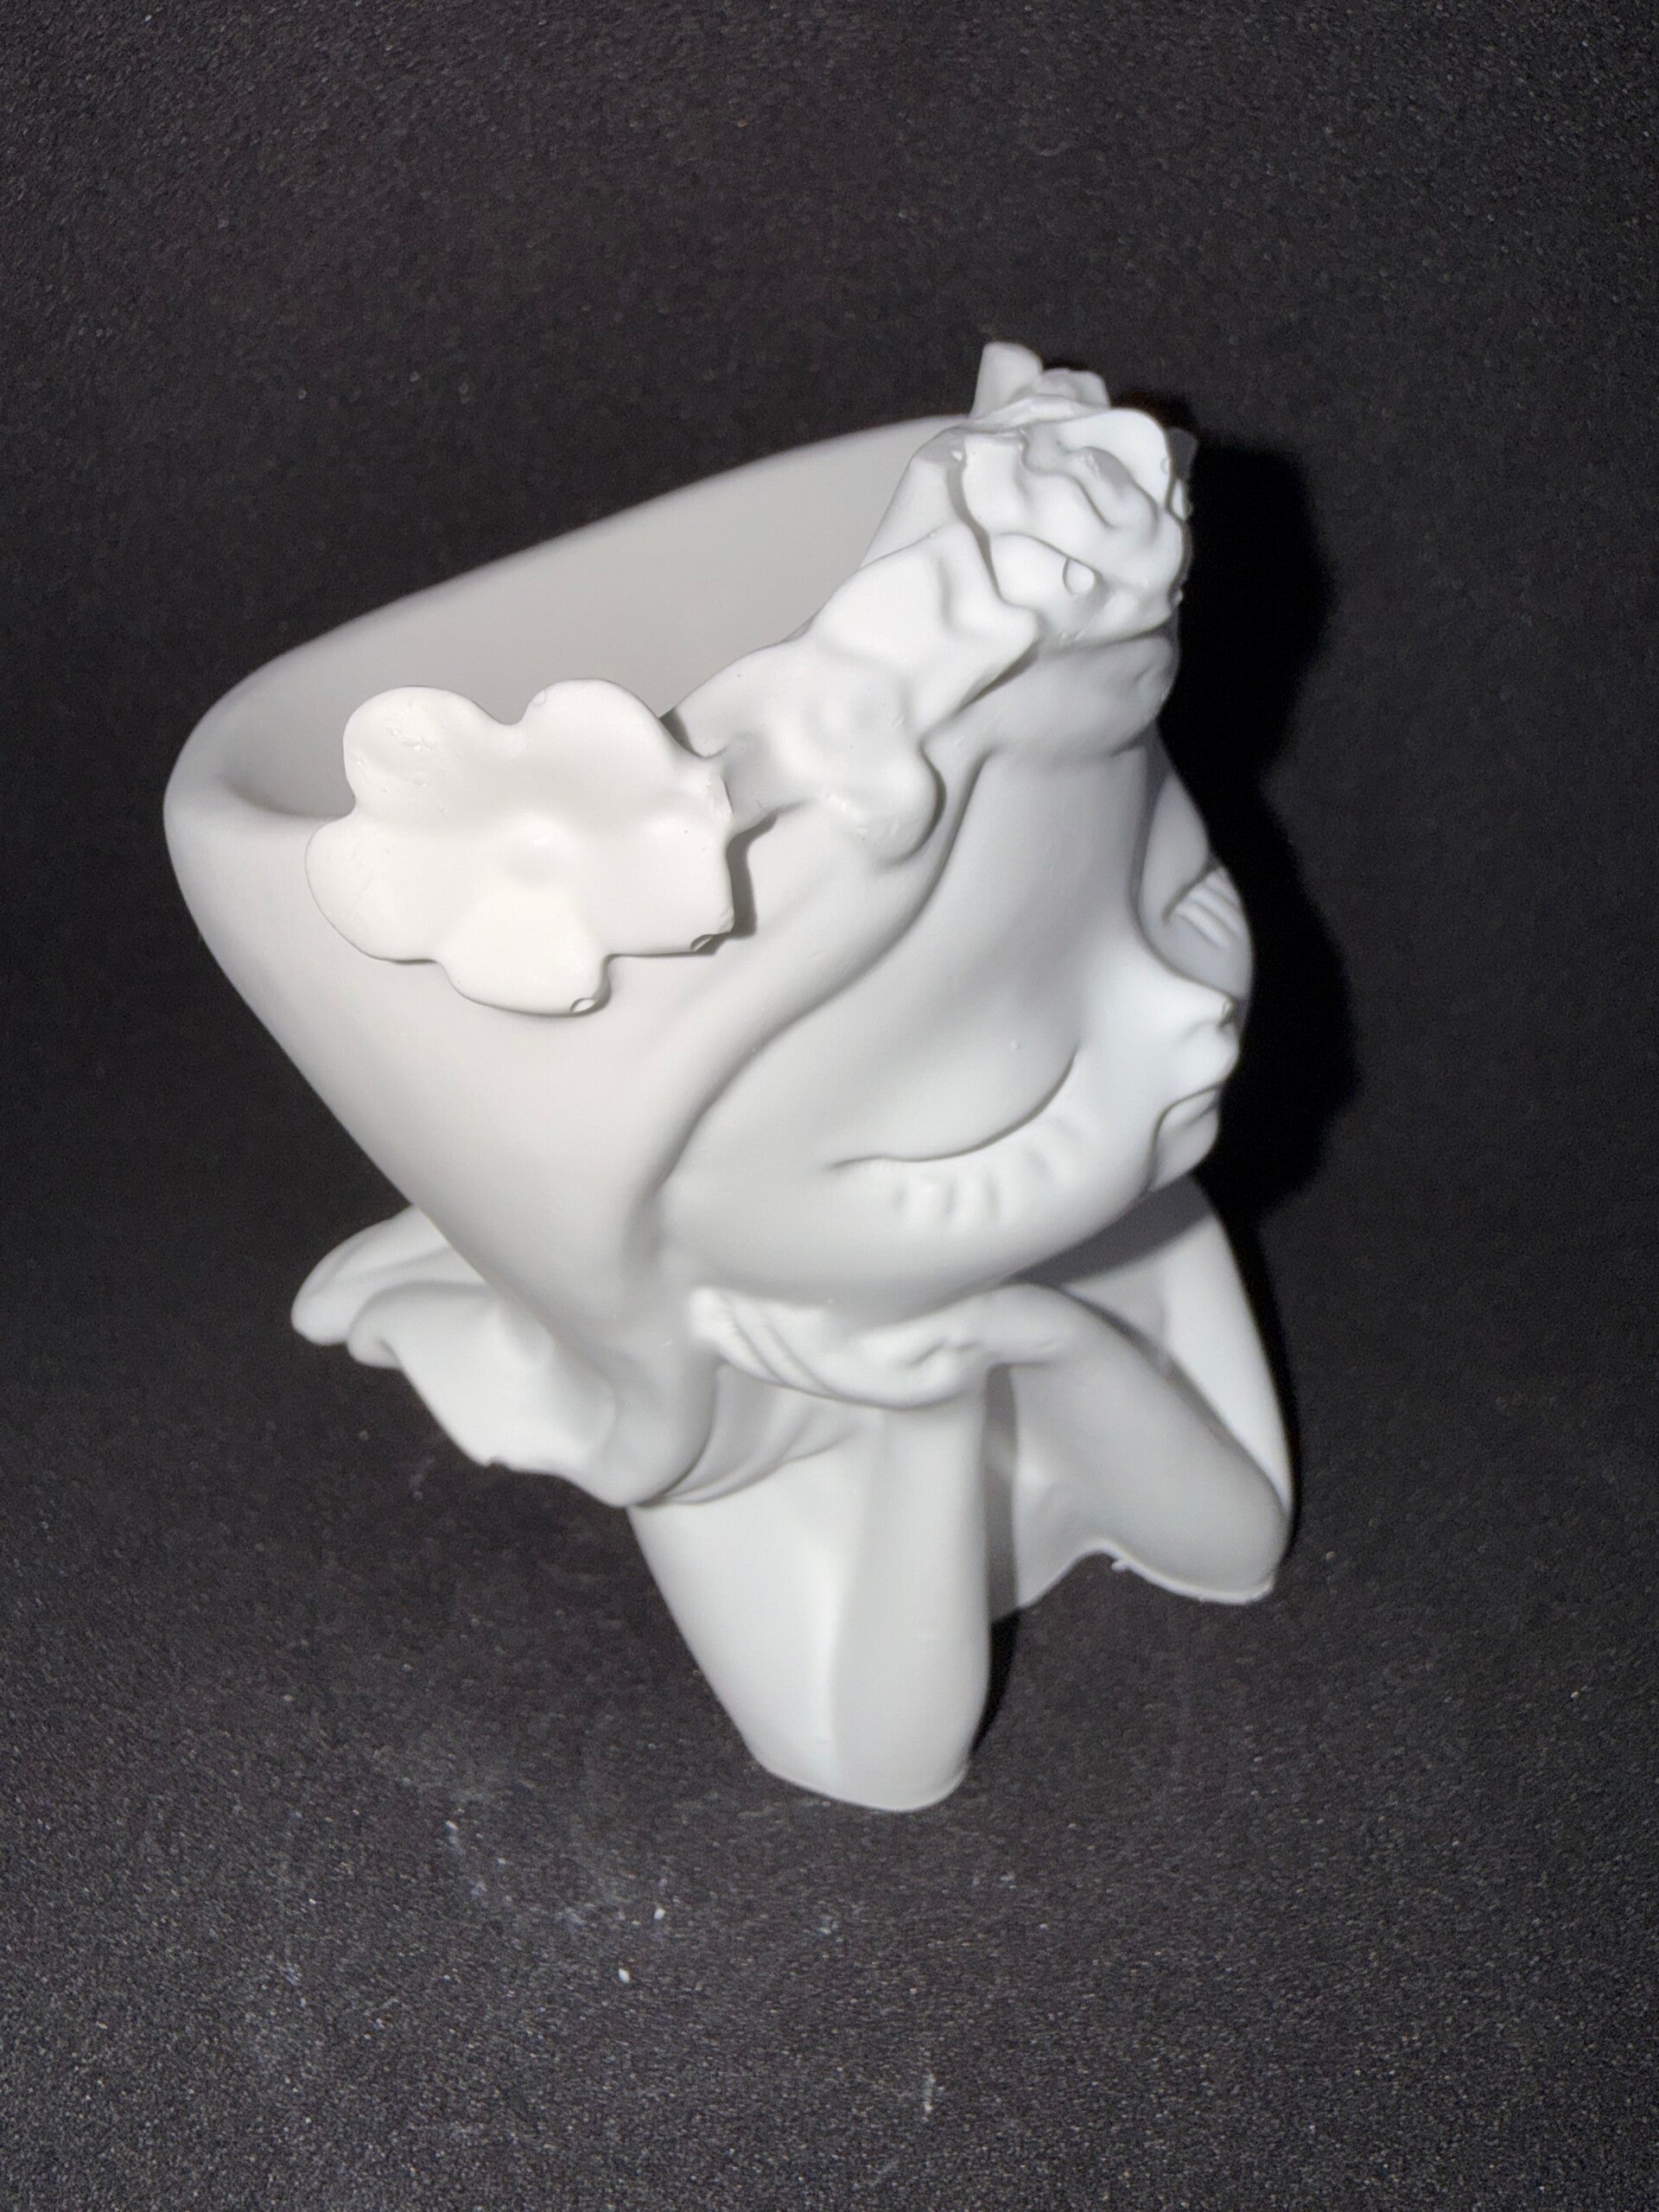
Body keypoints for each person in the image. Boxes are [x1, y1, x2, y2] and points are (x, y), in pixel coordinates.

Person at [296, 344, 1292, 1809]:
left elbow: (1235, 1545)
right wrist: (939, 1407)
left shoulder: (1133, 1221)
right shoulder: (746, 1384)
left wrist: (1057, 1338)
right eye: (1009, 1108)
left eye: (1184, 893)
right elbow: (877, 1757)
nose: (1185, 1019)